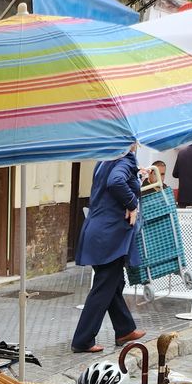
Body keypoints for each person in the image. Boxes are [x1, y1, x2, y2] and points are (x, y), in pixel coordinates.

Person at [71, 144, 145, 355]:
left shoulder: (104, 160)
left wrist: (138, 176)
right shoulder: (127, 159)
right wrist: (132, 204)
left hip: (96, 231)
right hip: (110, 235)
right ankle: (83, 339)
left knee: (113, 282)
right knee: (104, 286)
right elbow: (116, 182)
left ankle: (125, 329)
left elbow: (110, 183)